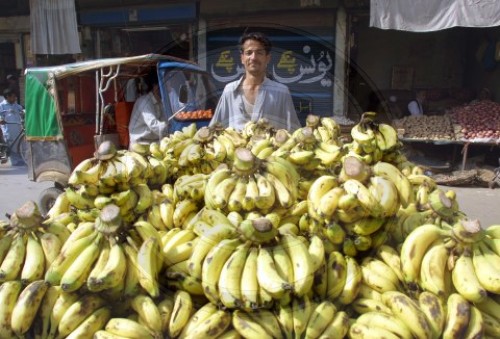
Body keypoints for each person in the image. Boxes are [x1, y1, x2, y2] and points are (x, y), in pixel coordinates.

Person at [210, 32, 301, 131]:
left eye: (259, 53)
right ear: (242, 58)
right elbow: (214, 129)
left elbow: (294, 132)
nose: (253, 57)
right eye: (249, 53)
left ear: (267, 58)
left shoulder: (281, 92)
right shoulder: (230, 91)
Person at [128, 69, 169, 149]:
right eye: (165, 85)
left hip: (154, 143)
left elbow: (165, 120)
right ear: (156, 86)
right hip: (140, 144)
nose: (168, 88)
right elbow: (154, 125)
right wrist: (170, 128)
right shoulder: (144, 101)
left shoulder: (160, 102)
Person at [0, 88, 25, 166]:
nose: (15, 98)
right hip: (8, 129)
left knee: (19, 144)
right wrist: (1, 119)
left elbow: (22, 111)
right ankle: (15, 161)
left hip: (17, 127)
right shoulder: (2, 105)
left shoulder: (16, 105)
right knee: (11, 144)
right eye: (13, 97)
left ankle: (21, 159)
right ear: (7, 96)